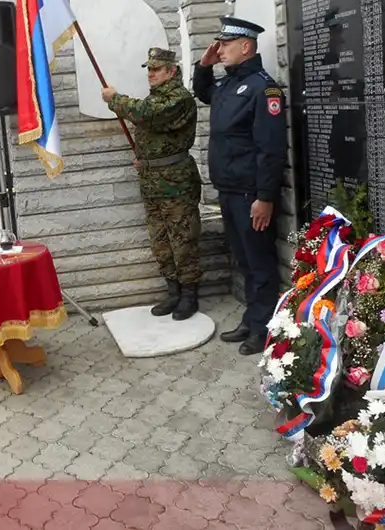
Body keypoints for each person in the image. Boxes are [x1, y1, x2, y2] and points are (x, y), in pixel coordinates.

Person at [192, 16, 288, 355]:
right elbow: (203, 93)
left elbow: (271, 148)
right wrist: (203, 66)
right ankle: (252, 317)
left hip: (250, 193)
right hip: (229, 190)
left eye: (225, 44)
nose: (219, 50)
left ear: (245, 46)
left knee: (260, 262)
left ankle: (264, 328)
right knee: (245, 261)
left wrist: (265, 197)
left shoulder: (265, 88)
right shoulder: (229, 84)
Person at [101, 47, 203, 320]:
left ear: (171, 71)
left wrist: (115, 99)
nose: (150, 73)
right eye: (148, 69)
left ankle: (189, 295)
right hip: (153, 180)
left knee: (183, 239)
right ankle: (173, 292)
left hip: (176, 182)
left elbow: (149, 115)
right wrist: (144, 159)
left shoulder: (179, 99)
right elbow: (154, 134)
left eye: (156, 69)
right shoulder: (157, 97)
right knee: (160, 241)